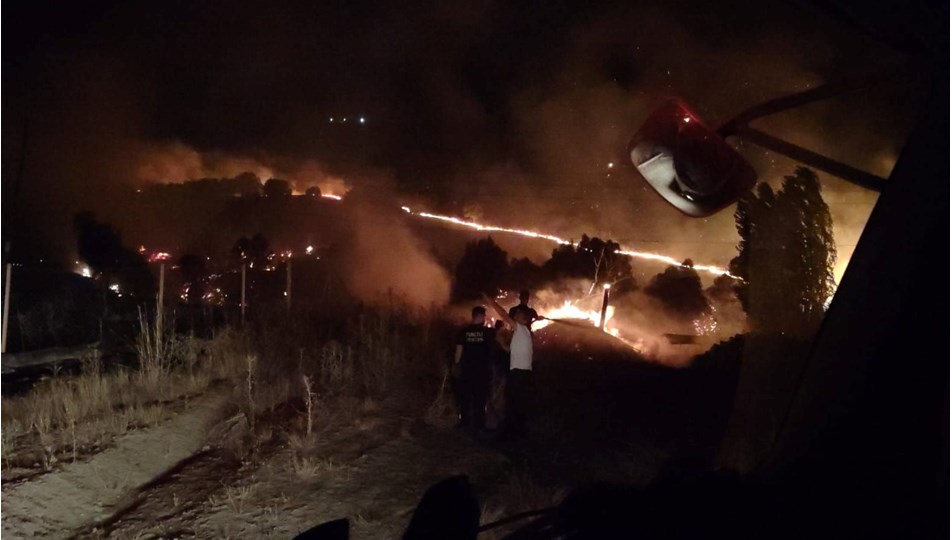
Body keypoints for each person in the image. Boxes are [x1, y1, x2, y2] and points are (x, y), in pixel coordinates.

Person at [483, 293, 533, 437]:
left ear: (522, 319)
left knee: (512, 400)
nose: (514, 315)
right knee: (516, 400)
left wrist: (492, 302)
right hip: (522, 372)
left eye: (517, 314)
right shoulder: (525, 333)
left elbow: (504, 315)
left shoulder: (521, 328)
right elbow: (511, 351)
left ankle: (510, 432)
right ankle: (517, 430)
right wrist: (500, 343)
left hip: (518, 372)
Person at [454, 306, 495, 432]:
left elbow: (458, 352)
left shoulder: (463, 332)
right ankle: (479, 424)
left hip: (467, 370)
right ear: (482, 316)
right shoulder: (488, 333)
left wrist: (456, 365)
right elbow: (494, 349)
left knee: (465, 397)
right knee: (480, 398)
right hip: (482, 371)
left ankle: (465, 422)